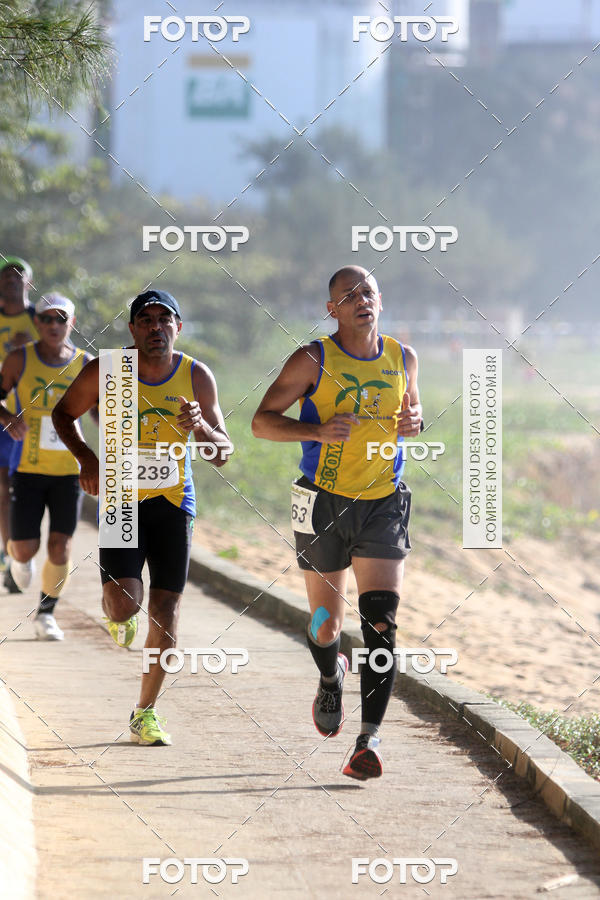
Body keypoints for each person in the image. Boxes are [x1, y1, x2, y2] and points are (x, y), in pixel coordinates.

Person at [252, 266, 423, 780]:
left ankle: (367, 741)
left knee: (381, 624)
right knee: (326, 626)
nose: (359, 301)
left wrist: (414, 423)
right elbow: (261, 422)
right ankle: (330, 676)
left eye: (368, 291)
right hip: (322, 501)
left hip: (382, 502)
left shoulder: (402, 358)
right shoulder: (313, 360)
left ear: (380, 300)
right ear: (332, 310)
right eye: (347, 296)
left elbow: (412, 415)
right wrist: (318, 429)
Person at [52, 289, 233, 746]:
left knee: (167, 610)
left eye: (164, 319)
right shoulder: (108, 370)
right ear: (133, 329)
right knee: (124, 605)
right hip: (120, 501)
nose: (156, 327)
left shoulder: (196, 375)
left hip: (174, 504)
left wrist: (201, 427)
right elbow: (63, 413)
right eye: (146, 320)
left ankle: (145, 713)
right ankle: (119, 612)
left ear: (178, 326)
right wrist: (86, 458)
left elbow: (222, 454)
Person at [0, 293, 95, 639]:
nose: (54, 326)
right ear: (37, 322)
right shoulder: (18, 360)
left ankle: (46, 614)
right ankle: (17, 558)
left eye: (61, 319)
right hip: (28, 466)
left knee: (61, 545)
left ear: (71, 323)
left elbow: (102, 412)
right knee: (25, 549)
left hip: (70, 470)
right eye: (47, 319)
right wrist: (9, 417)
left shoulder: (88, 363)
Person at [0, 257, 38, 584]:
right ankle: (10, 557)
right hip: (1, 414)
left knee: (22, 487)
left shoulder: (41, 319)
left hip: (30, 418)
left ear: (28, 283)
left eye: (18, 277)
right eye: (6, 277)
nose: (11, 281)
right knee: (2, 486)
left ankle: (21, 553)